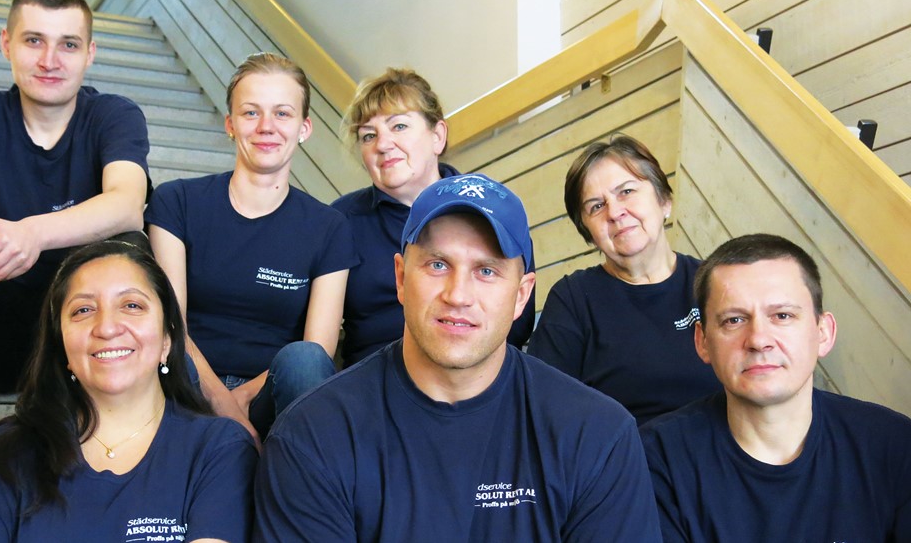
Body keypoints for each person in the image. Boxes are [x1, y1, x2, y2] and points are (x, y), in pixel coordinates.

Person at [255, 173, 661, 541]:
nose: (458, 295)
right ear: (401, 278)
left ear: (521, 295)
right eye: (437, 264)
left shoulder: (597, 436)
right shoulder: (313, 434)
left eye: (486, 271)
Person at [0, 0, 150, 529]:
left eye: (68, 44)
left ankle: (107, 454)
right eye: (34, 40)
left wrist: (30, 234)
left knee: (130, 247)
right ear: (6, 44)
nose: (49, 60)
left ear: (89, 53)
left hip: (79, 332)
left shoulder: (113, 114)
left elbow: (126, 202)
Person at [0, 240, 257, 542]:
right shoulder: (5, 451)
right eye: (83, 310)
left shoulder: (219, 449)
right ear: (62, 346)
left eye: (131, 305)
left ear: (167, 340)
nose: (106, 327)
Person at [640, 234, 911, 542]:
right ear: (702, 341)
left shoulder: (895, 446)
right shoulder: (655, 460)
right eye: (734, 320)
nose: (758, 339)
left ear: (823, 333)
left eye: (782, 316)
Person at [145, 53, 357, 440]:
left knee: (306, 360)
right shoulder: (177, 202)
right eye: (250, 113)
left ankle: (298, 472)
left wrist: (242, 400)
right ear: (230, 124)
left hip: (269, 398)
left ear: (304, 128)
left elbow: (319, 346)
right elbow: (171, 326)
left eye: (282, 113)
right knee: (163, 345)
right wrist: (226, 409)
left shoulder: (329, 227)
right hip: (184, 383)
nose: (266, 127)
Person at [331, 68, 535, 368]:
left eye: (399, 126)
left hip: (473, 372)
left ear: (437, 136)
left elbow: (518, 327)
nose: (382, 145)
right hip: (372, 379)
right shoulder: (340, 221)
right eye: (369, 136)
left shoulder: (495, 211)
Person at [528, 135, 720, 424]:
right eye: (596, 206)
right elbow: (545, 409)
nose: (615, 212)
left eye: (626, 191)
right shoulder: (573, 299)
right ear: (589, 233)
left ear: (664, 201)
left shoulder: (714, 285)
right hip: (628, 452)